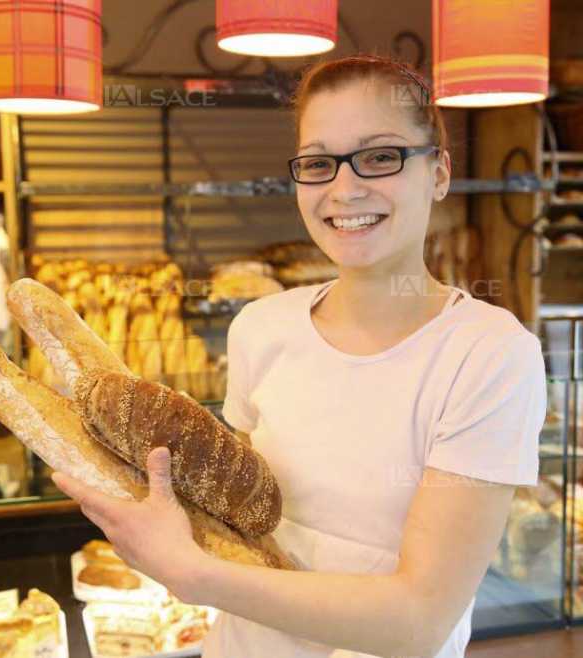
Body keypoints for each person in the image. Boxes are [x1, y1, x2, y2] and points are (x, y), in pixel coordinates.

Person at [50, 55, 547, 658]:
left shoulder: (489, 356)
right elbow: (238, 521)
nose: (345, 188)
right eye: (318, 163)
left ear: (438, 172)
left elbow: (419, 621)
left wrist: (192, 574)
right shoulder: (262, 327)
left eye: (380, 156)